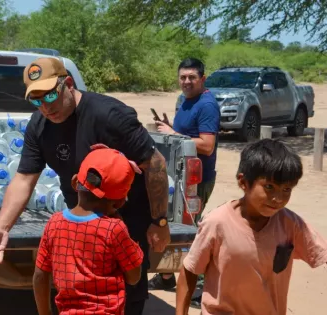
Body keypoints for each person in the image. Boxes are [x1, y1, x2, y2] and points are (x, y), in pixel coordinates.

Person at [0, 57, 171, 314]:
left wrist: (159, 221)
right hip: (78, 229)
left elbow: (156, 163)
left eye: (50, 96)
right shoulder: (39, 126)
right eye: (36, 101)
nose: (46, 108)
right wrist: (2, 228)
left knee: (127, 294)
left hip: (125, 224)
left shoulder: (108, 115)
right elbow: (25, 178)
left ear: (68, 83)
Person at [175, 139, 327, 315]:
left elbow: (320, 252)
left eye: (286, 190)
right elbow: (189, 271)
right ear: (243, 182)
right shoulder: (217, 223)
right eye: (269, 187)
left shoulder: (291, 224)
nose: (278, 198)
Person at [33, 147, 145, 315]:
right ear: (120, 202)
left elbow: (40, 276)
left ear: (74, 182)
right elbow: (134, 277)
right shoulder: (114, 229)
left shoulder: (54, 223)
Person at [149, 57, 220, 306]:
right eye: (182, 77)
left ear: (203, 78)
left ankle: (199, 288)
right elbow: (187, 135)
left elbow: (207, 146)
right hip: (180, 176)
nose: (186, 81)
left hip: (197, 179)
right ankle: (166, 276)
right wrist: (170, 127)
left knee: (191, 233)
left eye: (191, 77)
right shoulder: (186, 100)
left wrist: (173, 134)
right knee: (172, 224)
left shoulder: (207, 104)